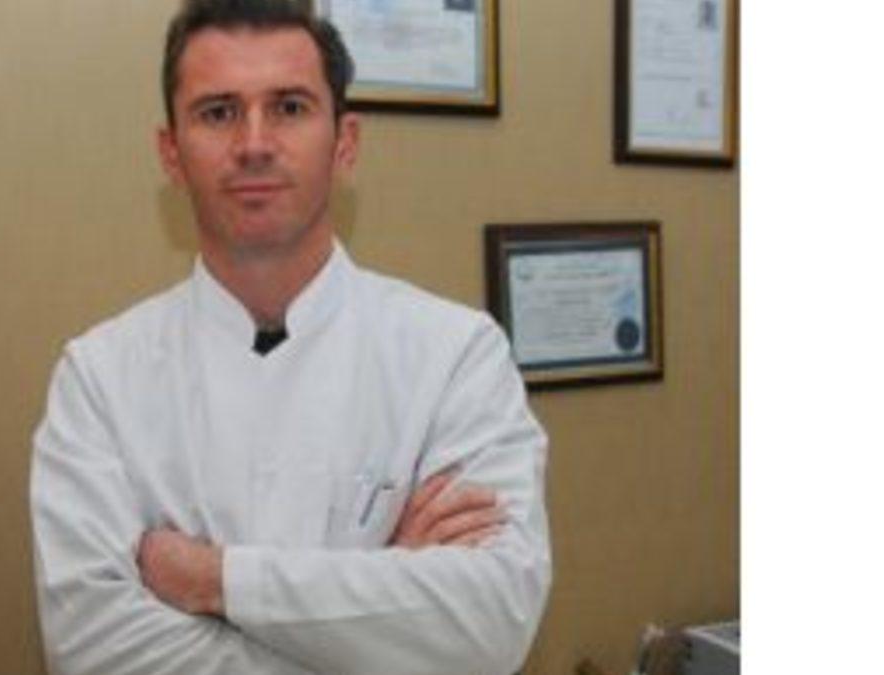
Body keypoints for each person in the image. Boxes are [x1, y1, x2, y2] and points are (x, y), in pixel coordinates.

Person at [29, 1, 551, 673]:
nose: (254, 143)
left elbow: (492, 622)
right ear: (171, 154)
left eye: (289, 107)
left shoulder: (457, 356)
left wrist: (213, 579)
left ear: (345, 143)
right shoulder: (98, 379)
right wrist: (382, 603)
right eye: (219, 112)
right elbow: (91, 650)